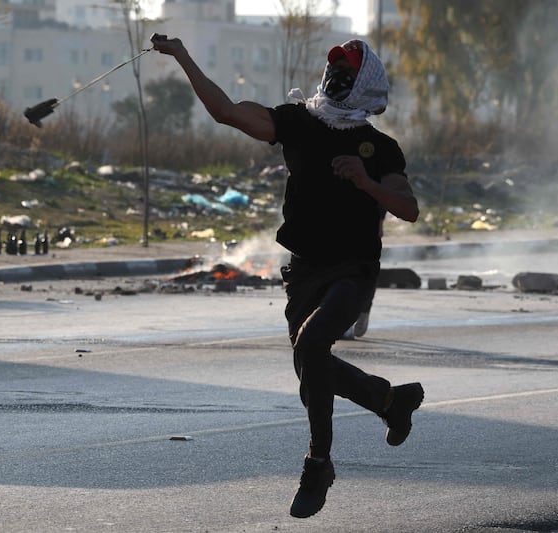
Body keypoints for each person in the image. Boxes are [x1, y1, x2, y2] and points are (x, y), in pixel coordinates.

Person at [151, 34, 425, 519]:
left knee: (311, 345)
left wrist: (364, 180)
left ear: (365, 82)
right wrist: (182, 56)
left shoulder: (379, 148)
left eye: (347, 71)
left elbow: (408, 208)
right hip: (304, 272)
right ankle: (387, 399)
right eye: (334, 69)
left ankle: (318, 464)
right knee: (310, 368)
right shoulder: (299, 122)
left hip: (353, 270)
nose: (336, 77)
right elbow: (227, 111)